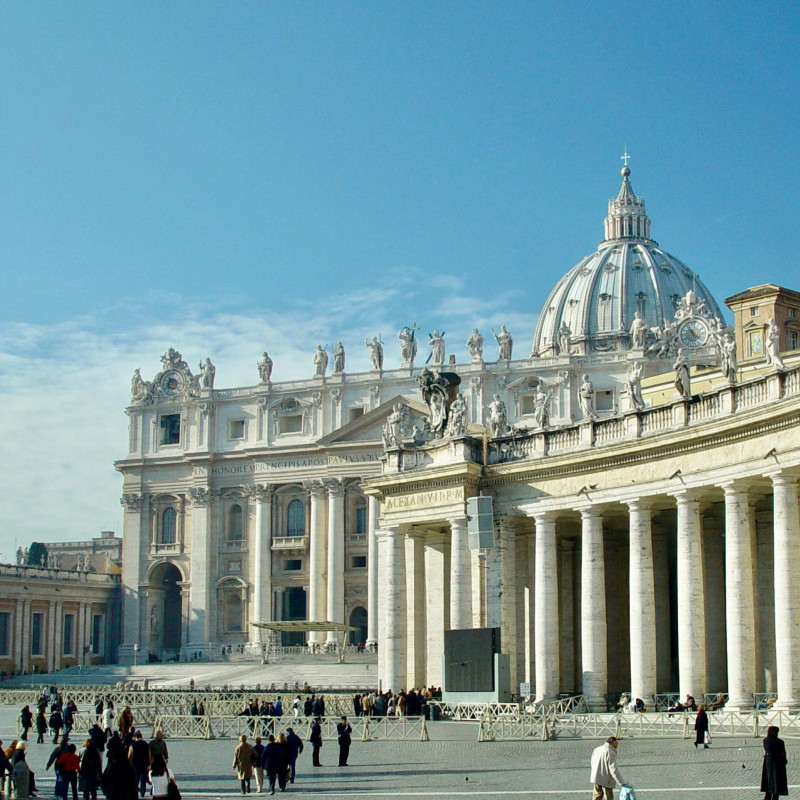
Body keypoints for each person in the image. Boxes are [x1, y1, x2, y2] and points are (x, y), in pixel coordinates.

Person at [761, 725, 788, 800]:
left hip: (768, 763)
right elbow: (783, 754)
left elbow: (768, 750)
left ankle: (767, 796)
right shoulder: (780, 742)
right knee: (777, 781)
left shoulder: (766, 740)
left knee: (768, 781)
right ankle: (775, 797)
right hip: (778, 764)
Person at [127, 731, 150, 797]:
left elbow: (130, 755)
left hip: (135, 764)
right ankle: (143, 792)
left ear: (136, 737)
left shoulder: (133, 745)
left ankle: (134, 791)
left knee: (135, 778)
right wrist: (149, 763)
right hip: (144, 763)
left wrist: (129, 762)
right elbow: (149, 754)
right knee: (143, 779)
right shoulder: (146, 744)